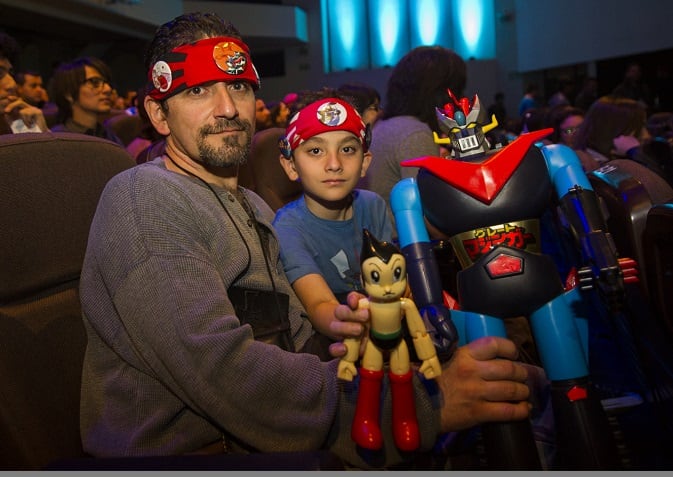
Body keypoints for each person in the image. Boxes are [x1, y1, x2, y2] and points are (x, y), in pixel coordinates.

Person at [79, 11, 534, 469]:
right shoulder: (145, 197)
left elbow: (294, 340)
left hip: (284, 440)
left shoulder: (255, 207)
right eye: (198, 91)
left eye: (238, 87)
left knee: (514, 381)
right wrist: (422, 403)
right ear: (159, 114)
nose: (227, 108)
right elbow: (224, 373)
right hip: (197, 457)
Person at [273, 88, 393, 343]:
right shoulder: (288, 227)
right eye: (316, 151)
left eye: (347, 149)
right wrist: (349, 323)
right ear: (291, 166)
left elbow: (393, 276)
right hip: (334, 340)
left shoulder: (373, 206)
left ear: (364, 162)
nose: (335, 164)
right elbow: (318, 304)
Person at [357, 45, 467, 229]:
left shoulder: (384, 124)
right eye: (457, 91)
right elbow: (429, 216)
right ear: (441, 93)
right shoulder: (415, 134)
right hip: (400, 241)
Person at [48, 56, 124, 145]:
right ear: (69, 94)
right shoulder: (58, 140)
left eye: (107, 83)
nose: (108, 89)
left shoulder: (109, 136)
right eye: (95, 82)